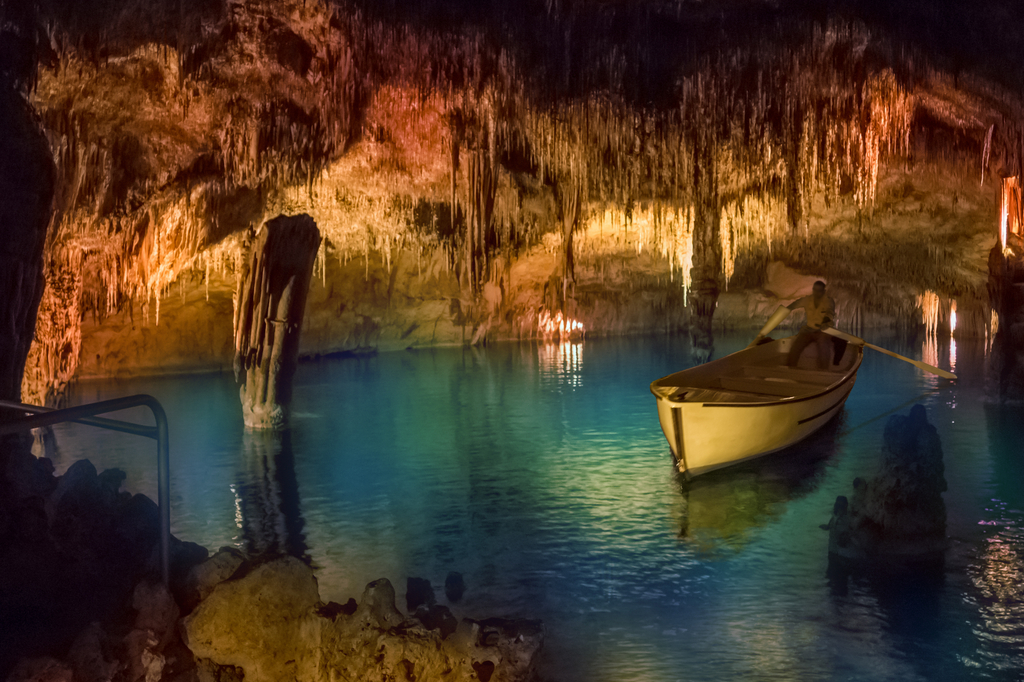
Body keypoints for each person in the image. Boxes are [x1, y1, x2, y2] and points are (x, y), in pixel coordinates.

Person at [782, 280, 836, 369]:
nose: (816, 293)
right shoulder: (807, 300)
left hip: (823, 330)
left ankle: (824, 371)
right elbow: (794, 304)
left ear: (824, 291)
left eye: (819, 291)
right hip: (809, 330)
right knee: (796, 346)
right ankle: (791, 368)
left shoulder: (828, 301)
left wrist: (825, 321)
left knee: (823, 346)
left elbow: (829, 313)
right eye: (815, 290)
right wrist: (785, 310)